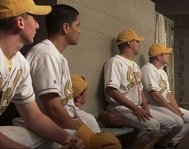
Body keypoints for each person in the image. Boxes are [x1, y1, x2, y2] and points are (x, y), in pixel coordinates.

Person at [26, 4, 121, 149]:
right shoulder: (46, 54)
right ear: (66, 27)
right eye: (77, 25)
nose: (79, 31)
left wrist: (88, 133)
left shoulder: (58, 57)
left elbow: (68, 109)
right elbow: (53, 108)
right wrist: (87, 137)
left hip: (62, 125)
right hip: (48, 130)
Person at [0, 0, 84, 148]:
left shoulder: (20, 63)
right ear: (20, 22)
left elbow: (34, 116)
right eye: (34, 19)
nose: (38, 25)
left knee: (64, 137)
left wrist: (66, 138)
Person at [104, 29, 181, 149]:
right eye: (137, 42)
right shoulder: (115, 62)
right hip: (119, 108)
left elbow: (140, 90)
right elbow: (112, 91)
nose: (140, 44)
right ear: (130, 43)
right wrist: (135, 108)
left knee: (171, 122)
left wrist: (145, 107)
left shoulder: (134, 65)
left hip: (137, 107)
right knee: (153, 126)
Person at [141, 43, 189, 148]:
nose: (169, 56)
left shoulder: (162, 72)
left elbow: (168, 94)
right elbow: (155, 96)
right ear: (159, 56)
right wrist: (174, 112)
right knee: (178, 121)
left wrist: (177, 109)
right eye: (166, 54)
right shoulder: (147, 69)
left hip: (163, 105)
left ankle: (171, 142)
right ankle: (161, 145)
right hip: (152, 105)